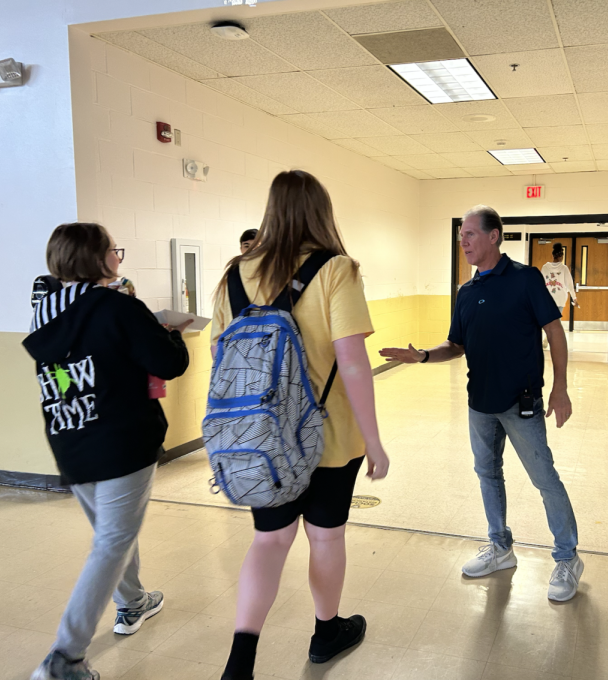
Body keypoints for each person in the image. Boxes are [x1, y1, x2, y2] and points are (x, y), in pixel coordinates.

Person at [211, 170, 390, 680]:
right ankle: (325, 633)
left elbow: (222, 359)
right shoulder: (337, 269)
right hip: (330, 438)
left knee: (269, 541)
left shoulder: (234, 274)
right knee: (326, 537)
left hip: (261, 441)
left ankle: (239, 663)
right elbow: (352, 361)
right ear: (321, 210)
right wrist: (374, 441)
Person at [380, 205, 583, 602]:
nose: (463, 241)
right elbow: (455, 345)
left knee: (545, 479)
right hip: (480, 404)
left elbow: (555, 333)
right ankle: (500, 547)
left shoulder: (525, 279)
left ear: (494, 236)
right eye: (461, 236)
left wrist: (560, 388)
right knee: (488, 476)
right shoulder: (467, 292)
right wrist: (422, 355)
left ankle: (567, 557)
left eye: (470, 234)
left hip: (520, 404)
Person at [24, 223, 191, 680]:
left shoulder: (43, 312)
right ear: (98, 259)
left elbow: (70, 369)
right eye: (112, 250)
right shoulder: (119, 307)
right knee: (113, 540)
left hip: (70, 439)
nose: (118, 256)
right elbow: (168, 364)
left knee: (112, 535)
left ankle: (133, 601)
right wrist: (170, 331)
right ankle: (66, 656)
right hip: (120, 440)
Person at [540, 242, 578, 349]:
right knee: (556, 321)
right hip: (560, 298)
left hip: (548, 298)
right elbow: (570, 284)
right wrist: (574, 298)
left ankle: (548, 339)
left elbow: (540, 283)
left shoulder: (545, 267)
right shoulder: (564, 268)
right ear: (561, 256)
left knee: (547, 320)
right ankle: (551, 341)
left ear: (552, 255)